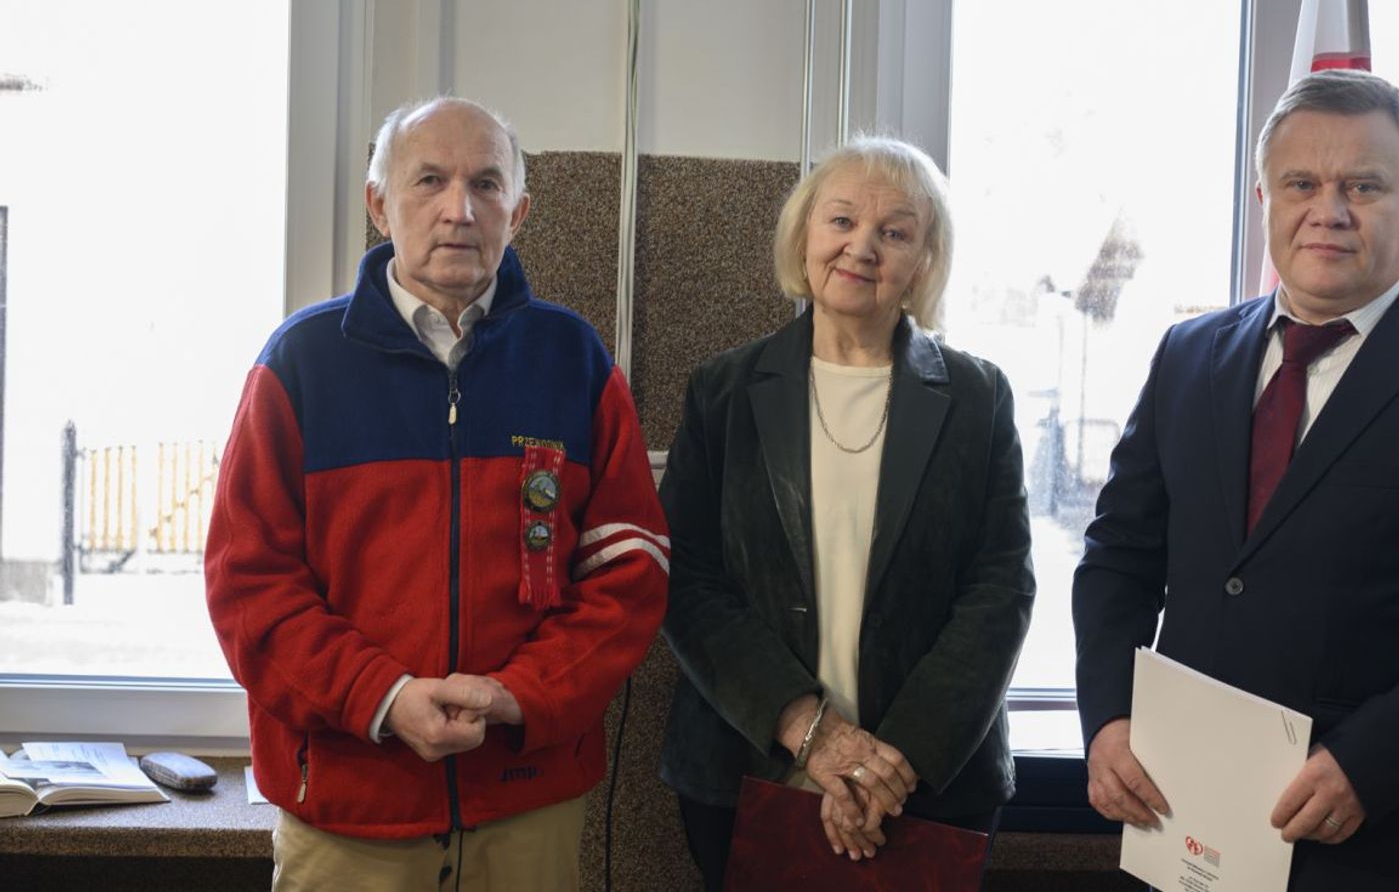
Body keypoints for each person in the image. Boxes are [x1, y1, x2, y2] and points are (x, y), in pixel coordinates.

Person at [1073, 70, 1399, 890]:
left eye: (1364, 186)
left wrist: (1372, 763)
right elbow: (1118, 557)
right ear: (1264, 199)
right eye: (1301, 184)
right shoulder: (1187, 355)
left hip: (1384, 839)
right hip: (1183, 827)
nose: (1330, 210)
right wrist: (1109, 714)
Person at [204, 97, 669, 891]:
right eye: (429, 180)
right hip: (350, 809)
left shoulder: (574, 361)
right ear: (378, 203)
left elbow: (631, 570)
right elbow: (248, 586)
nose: (460, 209)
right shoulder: (299, 365)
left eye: (486, 183)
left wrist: (518, 694)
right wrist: (382, 696)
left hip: (527, 802)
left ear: (518, 212)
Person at [658, 136, 1035, 890]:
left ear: (923, 261)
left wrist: (889, 766)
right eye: (841, 221)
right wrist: (813, 734)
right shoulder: (723, 391)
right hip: (750, 770)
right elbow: (685, 578)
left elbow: (999, 590)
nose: (861, 247)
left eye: (894, 231)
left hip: (925, 785)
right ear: (804, 235)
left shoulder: (978, 397)